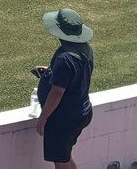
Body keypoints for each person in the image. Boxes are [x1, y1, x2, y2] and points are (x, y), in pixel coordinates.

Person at [35, 9, 95, 169]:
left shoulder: (64, 58)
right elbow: (74, 76)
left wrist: (43, 119)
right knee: (65, 154)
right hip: (81, 112)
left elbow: (57, 92)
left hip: (63, 118)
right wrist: (50, 72)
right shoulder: (86, 50)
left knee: (60, 161)